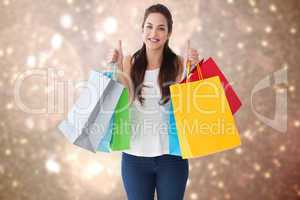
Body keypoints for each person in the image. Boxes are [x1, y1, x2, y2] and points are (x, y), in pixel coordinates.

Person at [108, 4, 200, 200]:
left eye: (161, 28)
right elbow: (121, 103)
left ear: (169, 33)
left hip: (171, 159)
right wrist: (115, 70)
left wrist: (196, 71)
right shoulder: (129, 62)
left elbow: (193, 106)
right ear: (142, 29)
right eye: (149, 26)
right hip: (134, 158)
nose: (154, 33)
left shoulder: (179, 64)